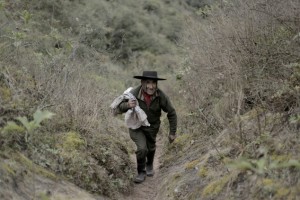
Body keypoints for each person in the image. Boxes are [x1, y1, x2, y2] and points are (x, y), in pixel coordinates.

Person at [116, 71, 177, 183]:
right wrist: (128, 105)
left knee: (151, 147)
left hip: (152, 126)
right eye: (148, 82)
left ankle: (149, 165)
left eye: (153, 83)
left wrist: (172, 132)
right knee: (142, 148)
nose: (151, 86)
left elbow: (172, 113)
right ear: (142, 82)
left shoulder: (160, 96)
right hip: (136, 126)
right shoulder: (133, 93)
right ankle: (141, 171)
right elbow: (118, 109)